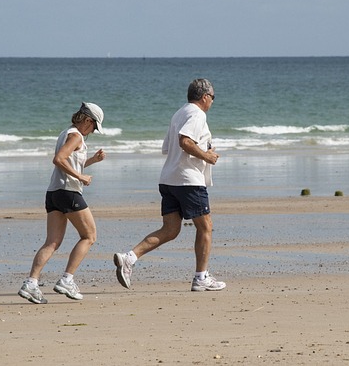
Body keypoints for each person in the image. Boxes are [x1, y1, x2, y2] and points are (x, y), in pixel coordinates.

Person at [114, 78, 226, 292]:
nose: (212, 102)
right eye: (213, 97)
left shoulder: (179, 113)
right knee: (206, 227)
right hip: (188, 180)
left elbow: (168, 148)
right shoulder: (197, 114)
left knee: (171, 229)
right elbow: (185, 141)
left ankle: (129, 258)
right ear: (205, 97)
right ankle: (201, 277)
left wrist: (201, 150)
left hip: (169, 179)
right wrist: (206, 156)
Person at [18, 102, 106, 304]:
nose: (93, 131)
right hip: (69, 192)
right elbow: (58, 159)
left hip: (54, 193)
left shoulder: (66, 133)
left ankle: (31, 283)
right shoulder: (76, 136)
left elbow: (70, 160)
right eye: (94, 126)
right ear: (87, 120)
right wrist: (82, 177)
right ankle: (67, 279)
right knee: (89, 236)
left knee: (52, 242)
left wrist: (92, 160)